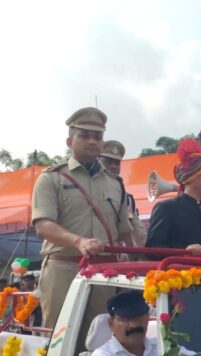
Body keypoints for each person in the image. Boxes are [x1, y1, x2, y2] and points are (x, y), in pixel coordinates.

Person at [32, 107, 132, 330]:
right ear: (69, 142)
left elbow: (125, 232)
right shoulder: (51, 178)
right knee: (59, 337)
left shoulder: (115, 183)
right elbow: (43, 225)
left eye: (97, 136)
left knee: (101, 338)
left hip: (104, 272)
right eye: (84, 135)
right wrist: (79, 241)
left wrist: (136, 266)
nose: (92, 141)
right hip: (64, 268)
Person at [146, 137, 201, 255]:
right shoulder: (166, 208)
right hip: (178, 267)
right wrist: (184, 252)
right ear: (191, 177)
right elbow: (152, 249)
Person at [98, 140, 147, 247]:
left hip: (113, 252)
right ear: (97, 160)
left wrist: (136, 253)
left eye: (117, 163)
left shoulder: (126, 197)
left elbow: (137, 232)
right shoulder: (87, 187)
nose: (114, 166)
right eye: (108, 161)